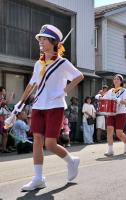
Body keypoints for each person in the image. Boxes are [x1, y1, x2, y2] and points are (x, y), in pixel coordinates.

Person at [14, 24, 84, 191]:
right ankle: (38, 178)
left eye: (44, 39)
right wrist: (20, 103)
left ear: (53, 42)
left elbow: (79, 76)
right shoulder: (39, 64)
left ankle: (71, 161)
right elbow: (31, 85)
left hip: (55, 106)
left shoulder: (62, 63)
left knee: (50, 144)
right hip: (38, 106)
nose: (41, 41)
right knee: (37, 140)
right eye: (40, 39)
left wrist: (64, 90)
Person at [103, 74, 126, 156]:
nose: (116, 80)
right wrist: (101, 97)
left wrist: (117, 100)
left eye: (118, 79)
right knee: (109, 131)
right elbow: (104, 100)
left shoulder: (124, 90)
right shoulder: (110, 91)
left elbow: (125, 102)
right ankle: (110, 150)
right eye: (114, 79)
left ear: (121, 81)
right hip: (111, 113)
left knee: (119, 133)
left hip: (121, 113)